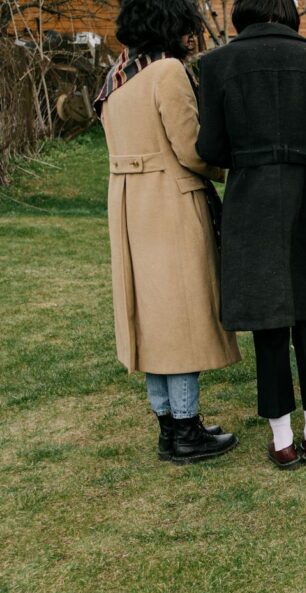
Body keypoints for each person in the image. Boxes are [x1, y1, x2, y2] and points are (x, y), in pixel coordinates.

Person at [196, 0, 306, 470]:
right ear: (290, 15)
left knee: (268, 323)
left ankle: (281, 440)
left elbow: (209, 147)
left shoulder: (216, 64)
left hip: (252, 201)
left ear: (241, 16)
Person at [95, 0, 241, 465]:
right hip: (171, 201)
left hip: (129, 204)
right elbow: (191, 148)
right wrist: (231, 171)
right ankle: (186, 428)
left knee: (152, 318)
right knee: (181, 317)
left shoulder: (117, 76)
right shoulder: (166, 72)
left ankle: (169, 427)